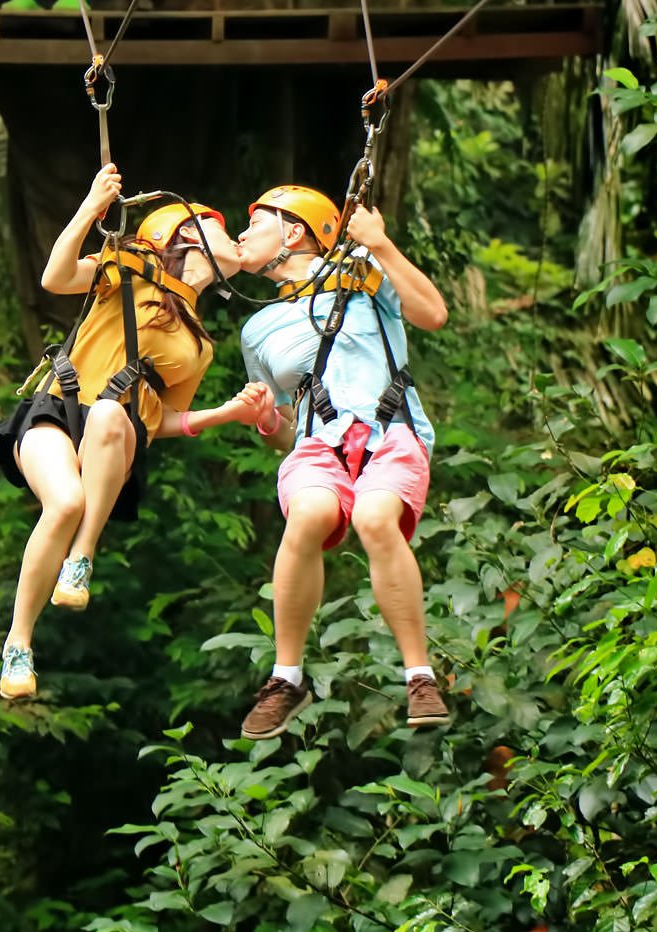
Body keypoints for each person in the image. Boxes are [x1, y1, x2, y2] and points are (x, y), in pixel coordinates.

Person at [0, 163, 253, 700]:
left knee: (111, 415)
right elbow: (55, 279)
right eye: (219, 225)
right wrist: (91, 206)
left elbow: (163, 418)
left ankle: (82, 556)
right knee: (62, 501)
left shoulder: (200, 345)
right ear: (187, 236)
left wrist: (224, 413)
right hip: (56, 411)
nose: (234, 235)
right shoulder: (125, 269)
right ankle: (19, 643)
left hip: (114, 436)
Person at [232, 184, 450, 739]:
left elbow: (432, 314)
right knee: (307, 516)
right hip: (316, 445)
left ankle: (420, 677)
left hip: (389, 430)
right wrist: (262, 420)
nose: (241, 235)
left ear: (294, 231)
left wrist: (381, 245)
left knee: (375, 518)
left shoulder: (358, 272)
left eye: (254, 224)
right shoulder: (256, 330)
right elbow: (284, 432)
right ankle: (286, 678)